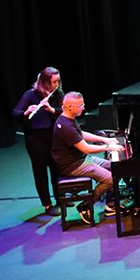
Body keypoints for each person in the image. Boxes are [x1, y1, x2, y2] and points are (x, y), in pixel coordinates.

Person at [52, 91, 124, 225]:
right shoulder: (65, 126)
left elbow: (81, 134)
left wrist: (105, 140)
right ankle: (85, 206)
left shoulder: (68, 118)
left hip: (81, 159)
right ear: (70, 106)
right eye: (80, 105)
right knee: (109, 179)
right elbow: (86, 148)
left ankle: (110, 204)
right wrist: (108, 147)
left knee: (114, 166)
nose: (83, 107)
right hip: (72, 165)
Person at [12, 67, 64, 215]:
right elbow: (15, 113)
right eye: (54, 82)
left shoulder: (58, 94)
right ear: (45, 82)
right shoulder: (30, 94)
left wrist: (52, 110)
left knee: (57, 170)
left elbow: (65, 113)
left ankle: (60, 199)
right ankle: (47, 204)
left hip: (53, 137)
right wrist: (26, 112)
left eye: (58, 81)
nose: (57, 84)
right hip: (36, 139)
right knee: (40, 171)